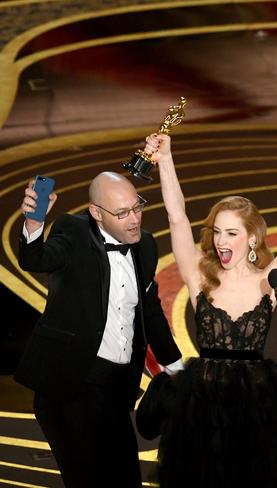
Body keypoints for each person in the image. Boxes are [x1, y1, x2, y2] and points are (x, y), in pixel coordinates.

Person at [134, 134, 277, 488]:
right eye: (217, 232)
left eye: (231, 233)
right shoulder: (200, 275)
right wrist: (166, 159)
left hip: (256, 413)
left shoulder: (270, 281)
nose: (220, 241)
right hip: (200, 410)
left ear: (252, 239)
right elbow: (177, 218)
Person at [15, 172, 184, 488]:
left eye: (137, 207)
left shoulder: (144, 244)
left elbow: (149, 309)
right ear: (96, 213)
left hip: (118, 389)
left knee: (125, 478)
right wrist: (34, 224)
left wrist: (177, 368)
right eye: (121, 213)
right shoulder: (74, 231)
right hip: (71, 384)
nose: (134, 219)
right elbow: (36, 258)